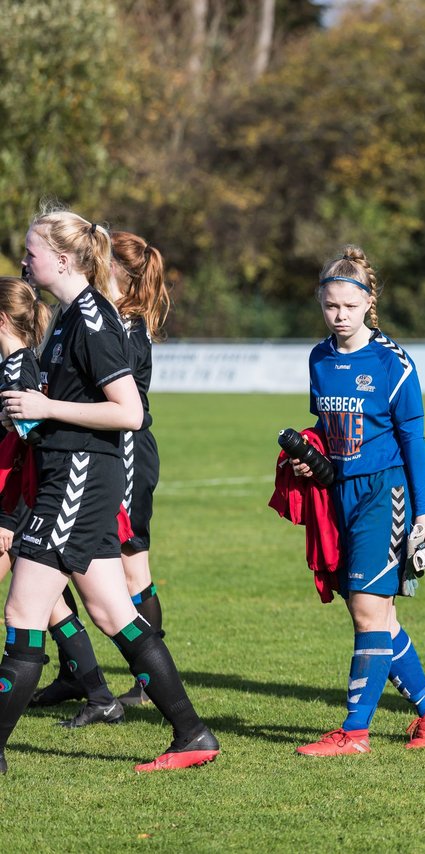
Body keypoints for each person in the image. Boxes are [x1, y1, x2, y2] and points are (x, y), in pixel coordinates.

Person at [0, 209, 218, 773]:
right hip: (68, 475)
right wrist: (30, 415)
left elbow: (130, 411)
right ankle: (192, 735)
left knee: (24, 611)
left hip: (76, 481)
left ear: (64, 258)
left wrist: (46, 408)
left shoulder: (94, 319)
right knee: (112, 611)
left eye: (32, 251)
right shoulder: (71, 317)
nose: (24, 260)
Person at [287, 245, 425, 756]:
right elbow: (325, 425)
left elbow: (414, 440)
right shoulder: (319, 358)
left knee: (367, 610)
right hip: (339, 496)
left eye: (349, 307)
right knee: (380, 617)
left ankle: (354, 732)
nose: (339, 316)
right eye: (330, 306)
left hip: (387, 493)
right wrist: (309, 457)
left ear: (368, 304)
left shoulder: (393, 364)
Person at [31, 229, 173, 721]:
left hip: (122, 453)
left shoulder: (118, 323)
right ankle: (82, 674)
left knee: (133, 568)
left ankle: (144, 683)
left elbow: (124, 405)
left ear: (118, 270)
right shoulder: (91, 314)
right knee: (72, 567)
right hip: (88, 454)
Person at [0, 275, 46, 588]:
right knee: (55, 611)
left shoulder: (17, 373)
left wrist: (6, 520)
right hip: (15, 506)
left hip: (14, 508)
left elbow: (26, 450)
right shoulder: (15, 366)